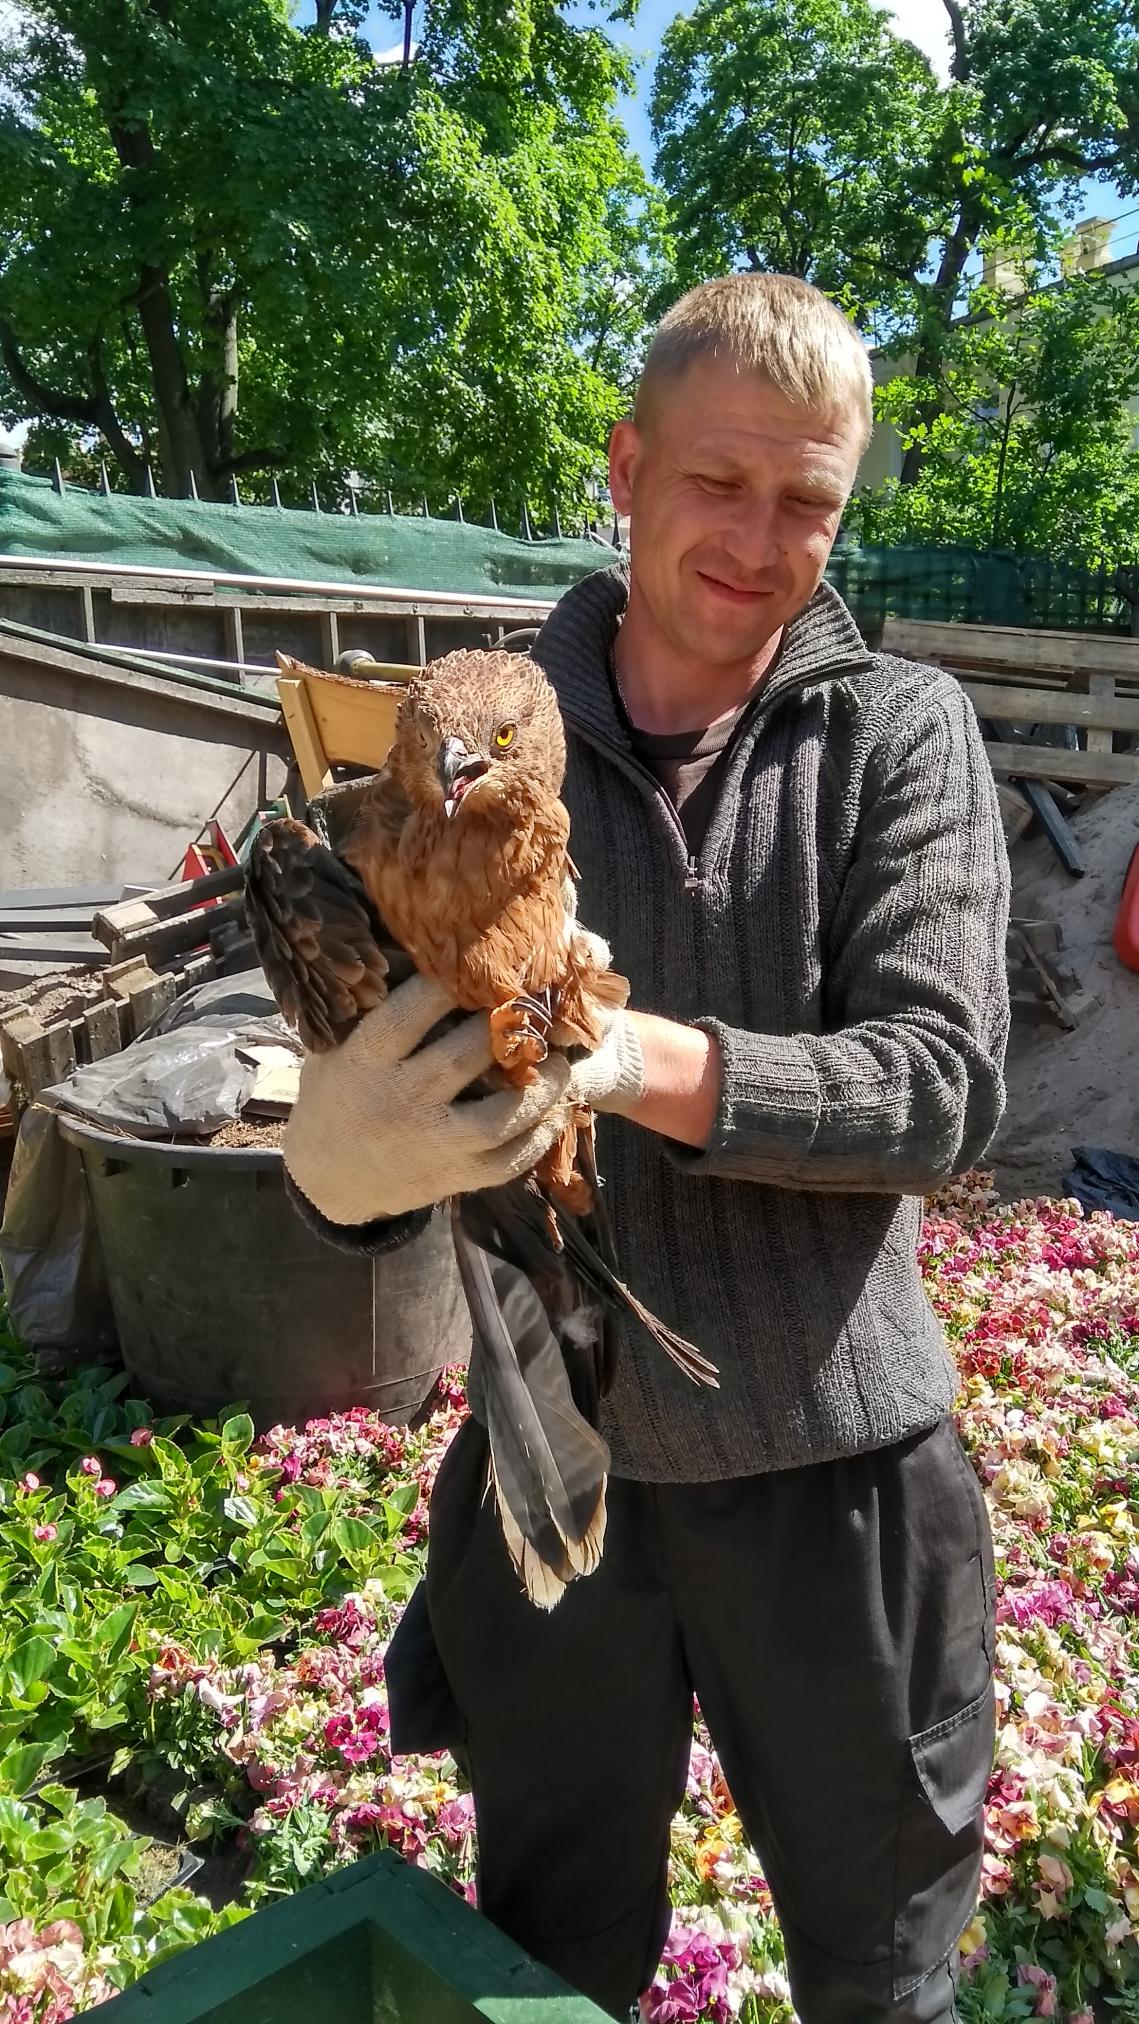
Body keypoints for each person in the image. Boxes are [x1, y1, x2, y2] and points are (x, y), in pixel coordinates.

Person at [283, 273, 1011, 2024]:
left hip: (835, 1481)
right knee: (550, 1951)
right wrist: (343, 1169)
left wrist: (634, 1056)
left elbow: (942, 1088)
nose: (761, 540)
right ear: (625, 464)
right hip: (555, 1457)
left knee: (883, 1954)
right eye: (719, 480)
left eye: (810, 502)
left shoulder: (894, 738)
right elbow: (383, 1130)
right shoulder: (456, 738)